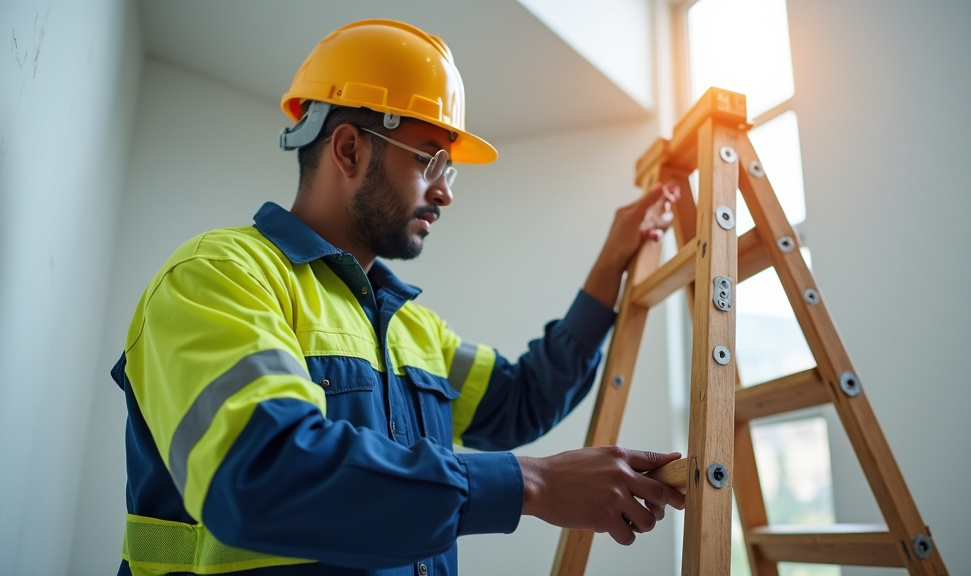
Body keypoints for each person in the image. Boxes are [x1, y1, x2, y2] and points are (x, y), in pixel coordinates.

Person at [113, 18, 684, 576]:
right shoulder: (219, 276)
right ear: (348, 150)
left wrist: (612, 266)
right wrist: (531, 484)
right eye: (429, 159)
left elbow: (521, 400)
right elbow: (263, 474)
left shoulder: (411, 328)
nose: (445, 192)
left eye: (451, 171)